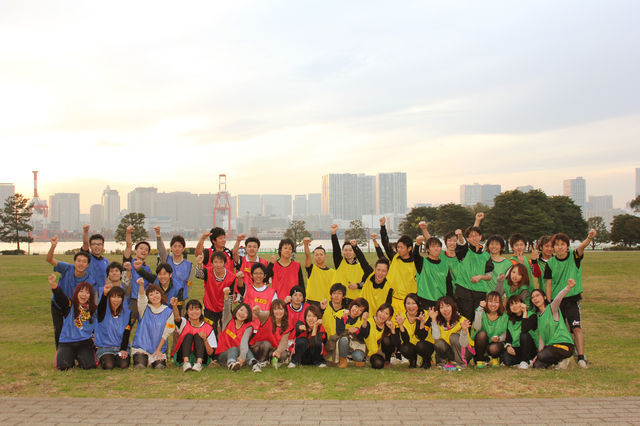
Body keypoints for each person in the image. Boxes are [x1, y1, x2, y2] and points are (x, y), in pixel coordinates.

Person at [543, 229, 596, 368]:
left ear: (567, 246)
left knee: (576, 328)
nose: (559, 247)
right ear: (553, 248)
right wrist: (549, 303)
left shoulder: (574, 257)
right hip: (557, 301)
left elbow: (582, 247)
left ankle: (581, 357)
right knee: (560, 331)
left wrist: (589, 238)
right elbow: (549, 284)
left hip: (572, 300)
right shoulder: (550, 263)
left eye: (562, 244)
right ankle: (562, 358)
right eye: (557, 244)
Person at [46, 236, 97, 347]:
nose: (81, 264)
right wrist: (53, 247)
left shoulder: (90, 280)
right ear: (74, 262)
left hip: (75, 308)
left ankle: (75, 352)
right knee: (59, 330)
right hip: (58, 304)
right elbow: (49, 260)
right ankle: (60, 353)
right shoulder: (67, 268)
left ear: (88, 265)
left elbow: (91, 299)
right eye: (78, 261)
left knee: (76, 330)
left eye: (84, 262)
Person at [49, 275, 97, 370]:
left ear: (90, 296)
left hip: (84, 342)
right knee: (63, 367)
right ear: (76, 293)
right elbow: (60, 297)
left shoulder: (93, 309)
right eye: (81, 291)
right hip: (67, 341)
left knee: (89, 366)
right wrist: (54, 285)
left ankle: (80, 356)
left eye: (87, 293)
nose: (84, 295)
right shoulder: (70, 305)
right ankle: (68, 355)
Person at [453, 213, 494, 322]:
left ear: (480, 237)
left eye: (477, 235)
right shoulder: (465, 251)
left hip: (480, 292)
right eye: (471, 236)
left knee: (478, 320)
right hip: (464, 291)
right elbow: (462, 243)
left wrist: (480, 277)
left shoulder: (486, 255)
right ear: (467, 238)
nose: (474, 238)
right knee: (465, 320)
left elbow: (489, 276)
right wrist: (460, 235)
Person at [531, 281, 577, 369]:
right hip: (551, 347)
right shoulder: (538, 317)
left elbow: (558, 298)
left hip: (564, 345)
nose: (535, 299)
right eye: (533, 297)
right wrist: (538, 355)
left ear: (544, 297)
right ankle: (558, 362)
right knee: (537, 365)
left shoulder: (552, 308)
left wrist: (568, 287)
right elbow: (541, 337)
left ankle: (563, 359)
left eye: (537, 296)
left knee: (542, 355)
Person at [379, 217, 417, 323]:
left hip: (409, 303)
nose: (399, 250)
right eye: (398, 247)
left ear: (409, 248)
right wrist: (383, 227)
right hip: (394, 299)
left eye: (402, 247)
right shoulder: (395, 257)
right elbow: (385, 244)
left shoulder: (415, 263)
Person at [131, 281, 176, 369]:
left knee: (159, 367)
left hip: (159, 348)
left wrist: (158, 350)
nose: (155, 296)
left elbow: (166, 334)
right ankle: (145, 359)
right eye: (151, 294)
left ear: (161, 294)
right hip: (142, 348)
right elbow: (141, 298)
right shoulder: (144, 308)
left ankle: (153, 359)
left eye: (157, 293)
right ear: (148, 297)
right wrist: (141, 285)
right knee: (140, 366)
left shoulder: (168, 312)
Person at [215, 287, 261, 372]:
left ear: (248, 316)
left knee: (244, 348)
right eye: (241, 310)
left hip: (239, 356)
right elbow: (226, 309)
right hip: (223, 355)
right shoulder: (228, 320)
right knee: (233, 348)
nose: (242, 313)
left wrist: (242, 356)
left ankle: (254, 364)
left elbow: (244, 342)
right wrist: (226, 296)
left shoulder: (248, 327)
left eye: (246, 313)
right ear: (236, 310)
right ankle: (231, 363)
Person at [95, 280, 134, 370]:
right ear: (109, 298)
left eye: (119, 297)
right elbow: (101, 307)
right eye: (113, 297)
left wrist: (123, 349)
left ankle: (117, 357)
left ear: (122, 299)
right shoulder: (103, 312)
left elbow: (127, 332)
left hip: (120, 347)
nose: (116, 300)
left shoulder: (127, 313)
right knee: (109, 365)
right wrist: (104, 295)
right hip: (105, 348)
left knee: (123, 365)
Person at [195, 252, 238, 334]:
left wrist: (227, 312)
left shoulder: (231, 277)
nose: (218, 265)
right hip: (209, 307)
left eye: (221, 262)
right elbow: (198, 275)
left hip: (223, 308)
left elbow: (230, 297)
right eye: (215, 262)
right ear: (212, 263)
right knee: (210, 331)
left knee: (225, 330)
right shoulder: (207, 271)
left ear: (225, 263)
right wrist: (199, 264)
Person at [171, 299, 217, 372]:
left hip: (202, 358)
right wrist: (174, 306)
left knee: (198, 336)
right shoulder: (184, 323)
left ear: (201, 311)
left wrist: (205, 340)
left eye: (197, 309)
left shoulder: (208, 328)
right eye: (191, 309)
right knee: (189, 335)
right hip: (181, 357)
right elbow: (177, 318)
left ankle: (198, 363)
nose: (194, 312)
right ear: (187, 312)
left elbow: (210, 353)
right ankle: (186, 363)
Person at [429, 296, 472, 368]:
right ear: (438, 310)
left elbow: (464, 344)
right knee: (438, 342)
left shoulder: (462, 320)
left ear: (453, 307)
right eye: (442, 307)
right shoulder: (438, 322)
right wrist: (433, 320)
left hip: (465, 352)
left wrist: (464, 331)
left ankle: (461, 363)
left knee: (454, 337)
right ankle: (442, 362)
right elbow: (436, 337)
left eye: (448, 306)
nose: (445, 309)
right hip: (452, 352)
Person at [154, 226, 193, 306]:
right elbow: (161, 249)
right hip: (164, 297)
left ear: (183, 248)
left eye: (179, 246)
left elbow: (189, 284)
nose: (177, 249)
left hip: (179, 299)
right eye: (175, 246)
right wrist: (158, 235)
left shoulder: (189, 265)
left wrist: (181, 296)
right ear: (171, 248)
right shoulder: (166, 259)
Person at [395, 294, 434, 369]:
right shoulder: (401, 316)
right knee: (404, 348)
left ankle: (426, 360)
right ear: (405, 305)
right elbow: (405, 340)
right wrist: (400, 325)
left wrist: (422, 323)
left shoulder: (426, 315)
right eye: (408, 303)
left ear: (418, 304)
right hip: (411, 344)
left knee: (420, 345)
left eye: (413, 303)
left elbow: (422, 337)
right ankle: (412, 360)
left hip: (425, 344)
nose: (411, 306)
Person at [413, 234, 451, 310]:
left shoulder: (445, 265)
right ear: (428, 249)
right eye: (433, 246)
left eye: (438, 246)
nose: (436, 249)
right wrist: (417, 244)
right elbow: (415, 255)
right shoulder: (422, 262)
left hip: (440, 302)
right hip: (424, 301)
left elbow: (449, 286)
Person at [250, 299, 291, 368]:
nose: (278, 312)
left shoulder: (287, 325)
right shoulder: (267, 316)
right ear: (272, 311)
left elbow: (284, 342)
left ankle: (270, 359)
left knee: (284, 354)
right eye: (275, 309)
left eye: (281, 309)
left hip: (272, 349)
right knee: (267, 344)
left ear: (285, 311)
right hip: (259, 347)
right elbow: (258, 313)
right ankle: (262, 361)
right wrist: (257, 310)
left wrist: (278, 351)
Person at [331, 224, 366, 303]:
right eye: (345, 250)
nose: (348, 252)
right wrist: (333, 234)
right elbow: (336, 249)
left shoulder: (361, 266)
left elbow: (366, 282)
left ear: (354, 252)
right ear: (342, 252)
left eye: (350, 250)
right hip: (341, 300)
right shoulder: (340, 263)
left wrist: (357, 285)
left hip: (356, 300)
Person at [123, 225, 152, 320]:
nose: (144, 251)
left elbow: (150, 285)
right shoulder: (129, 262)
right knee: (127, 324)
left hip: (143, 300)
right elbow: (128, 246)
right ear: (135, 251)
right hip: (131, 299)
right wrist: (128, 233)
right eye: (141, 248)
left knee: (143, 324)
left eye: (146, 250)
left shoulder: (147, 269)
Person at [472, 291, 508, 368]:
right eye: (490, 301)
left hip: (496, 343)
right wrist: (480, 308)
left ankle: (495, 358)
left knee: (494, 348)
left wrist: (499, 338)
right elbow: (476, 327)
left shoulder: (504, 316)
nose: (493, 304)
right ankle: (480, 359)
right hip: (482, 343)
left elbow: (505, 334)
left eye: (496, 302)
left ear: (500, 303)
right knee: (481, 334)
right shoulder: (481, 311)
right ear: (486, 302)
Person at [503, 295, 537, 369]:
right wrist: (508, 347)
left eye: (516, 303)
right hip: (518, 348)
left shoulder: (532, 315)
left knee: (523, 335)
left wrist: (524, 312)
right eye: (511, 305)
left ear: (522, 303)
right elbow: (508, 339)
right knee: (506, 360)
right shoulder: (510, 320)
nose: (514, 306)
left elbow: (524, 329)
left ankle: (525, 361)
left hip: (530, 347)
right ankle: (525, 360)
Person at [336, 298, 370, 368]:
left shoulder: (363, 319)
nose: (356, 311)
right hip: (342, 343)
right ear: (352, 305)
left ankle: (355, 358)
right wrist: (344, 318)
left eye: (360, 310)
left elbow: (364, 336)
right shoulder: (341, 313)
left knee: (358, 357)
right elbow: (339, 332)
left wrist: (357, 330)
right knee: (344, 339)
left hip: (355, 344)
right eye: (356, 307)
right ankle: (343, 360)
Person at [358, 251, 393, 317]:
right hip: (361, 315)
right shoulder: (369, 275)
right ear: (374, 269)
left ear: (387, 272)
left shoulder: (389, 289)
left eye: (383, 271)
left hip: (377, 319)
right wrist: (355, 247)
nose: (380, 273)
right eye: (378, 270)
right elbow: (362, 260)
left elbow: (387, 309)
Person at [319, 283, 348, 363]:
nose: (336, 296)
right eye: (334, 293)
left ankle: (343, 357)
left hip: (338, 339)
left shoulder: (346, 311)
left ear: (343, 296)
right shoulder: (325, 306)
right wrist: (321, 309)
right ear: (331, 295)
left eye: (339, 293)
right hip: (325, 339)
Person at [303, 237, 335, 307]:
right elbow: (307, 256)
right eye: (316, 255)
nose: (319, 257)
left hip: (326, 304)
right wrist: (306, 245)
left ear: (325, 256)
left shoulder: (332, 272)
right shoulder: (311, 269)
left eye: (321, 254)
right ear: (314, 256)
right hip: (311, 303)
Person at [364, 303, 397, 369]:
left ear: (389, 317)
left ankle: (387, 360)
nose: (382, 315)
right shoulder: (368, 321)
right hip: (369, 351)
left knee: (386, 340)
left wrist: (392, 329)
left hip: (381, 352)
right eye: (381, 311)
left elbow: (395, 344)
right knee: (378, 364)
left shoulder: (388, 326)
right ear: (377, 311)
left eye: (386, 313)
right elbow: (362, 334)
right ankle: (368, 359)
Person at [81, 225, 110, 295]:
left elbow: (108, 279)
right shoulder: (87, 258)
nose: (97, 246)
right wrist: (86, 232)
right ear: (90, 246)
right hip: (88, 293)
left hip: (102, 294)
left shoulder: (106, 262)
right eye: (94, 244)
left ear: (103, 246)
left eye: (99, 244)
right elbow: (85, 244)